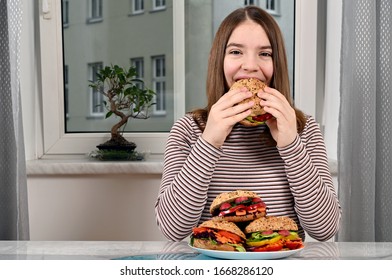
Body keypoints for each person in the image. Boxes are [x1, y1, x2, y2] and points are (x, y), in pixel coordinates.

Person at [155, 6, 341, 242]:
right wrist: (209, 141)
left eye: (265, 54)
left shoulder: (304, 129)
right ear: (219, 61)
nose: (250, 65)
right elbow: (173, 230)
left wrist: (291, 145)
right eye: (235, 52)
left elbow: (324, 229)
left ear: (277, 64)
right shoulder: (188, 130)